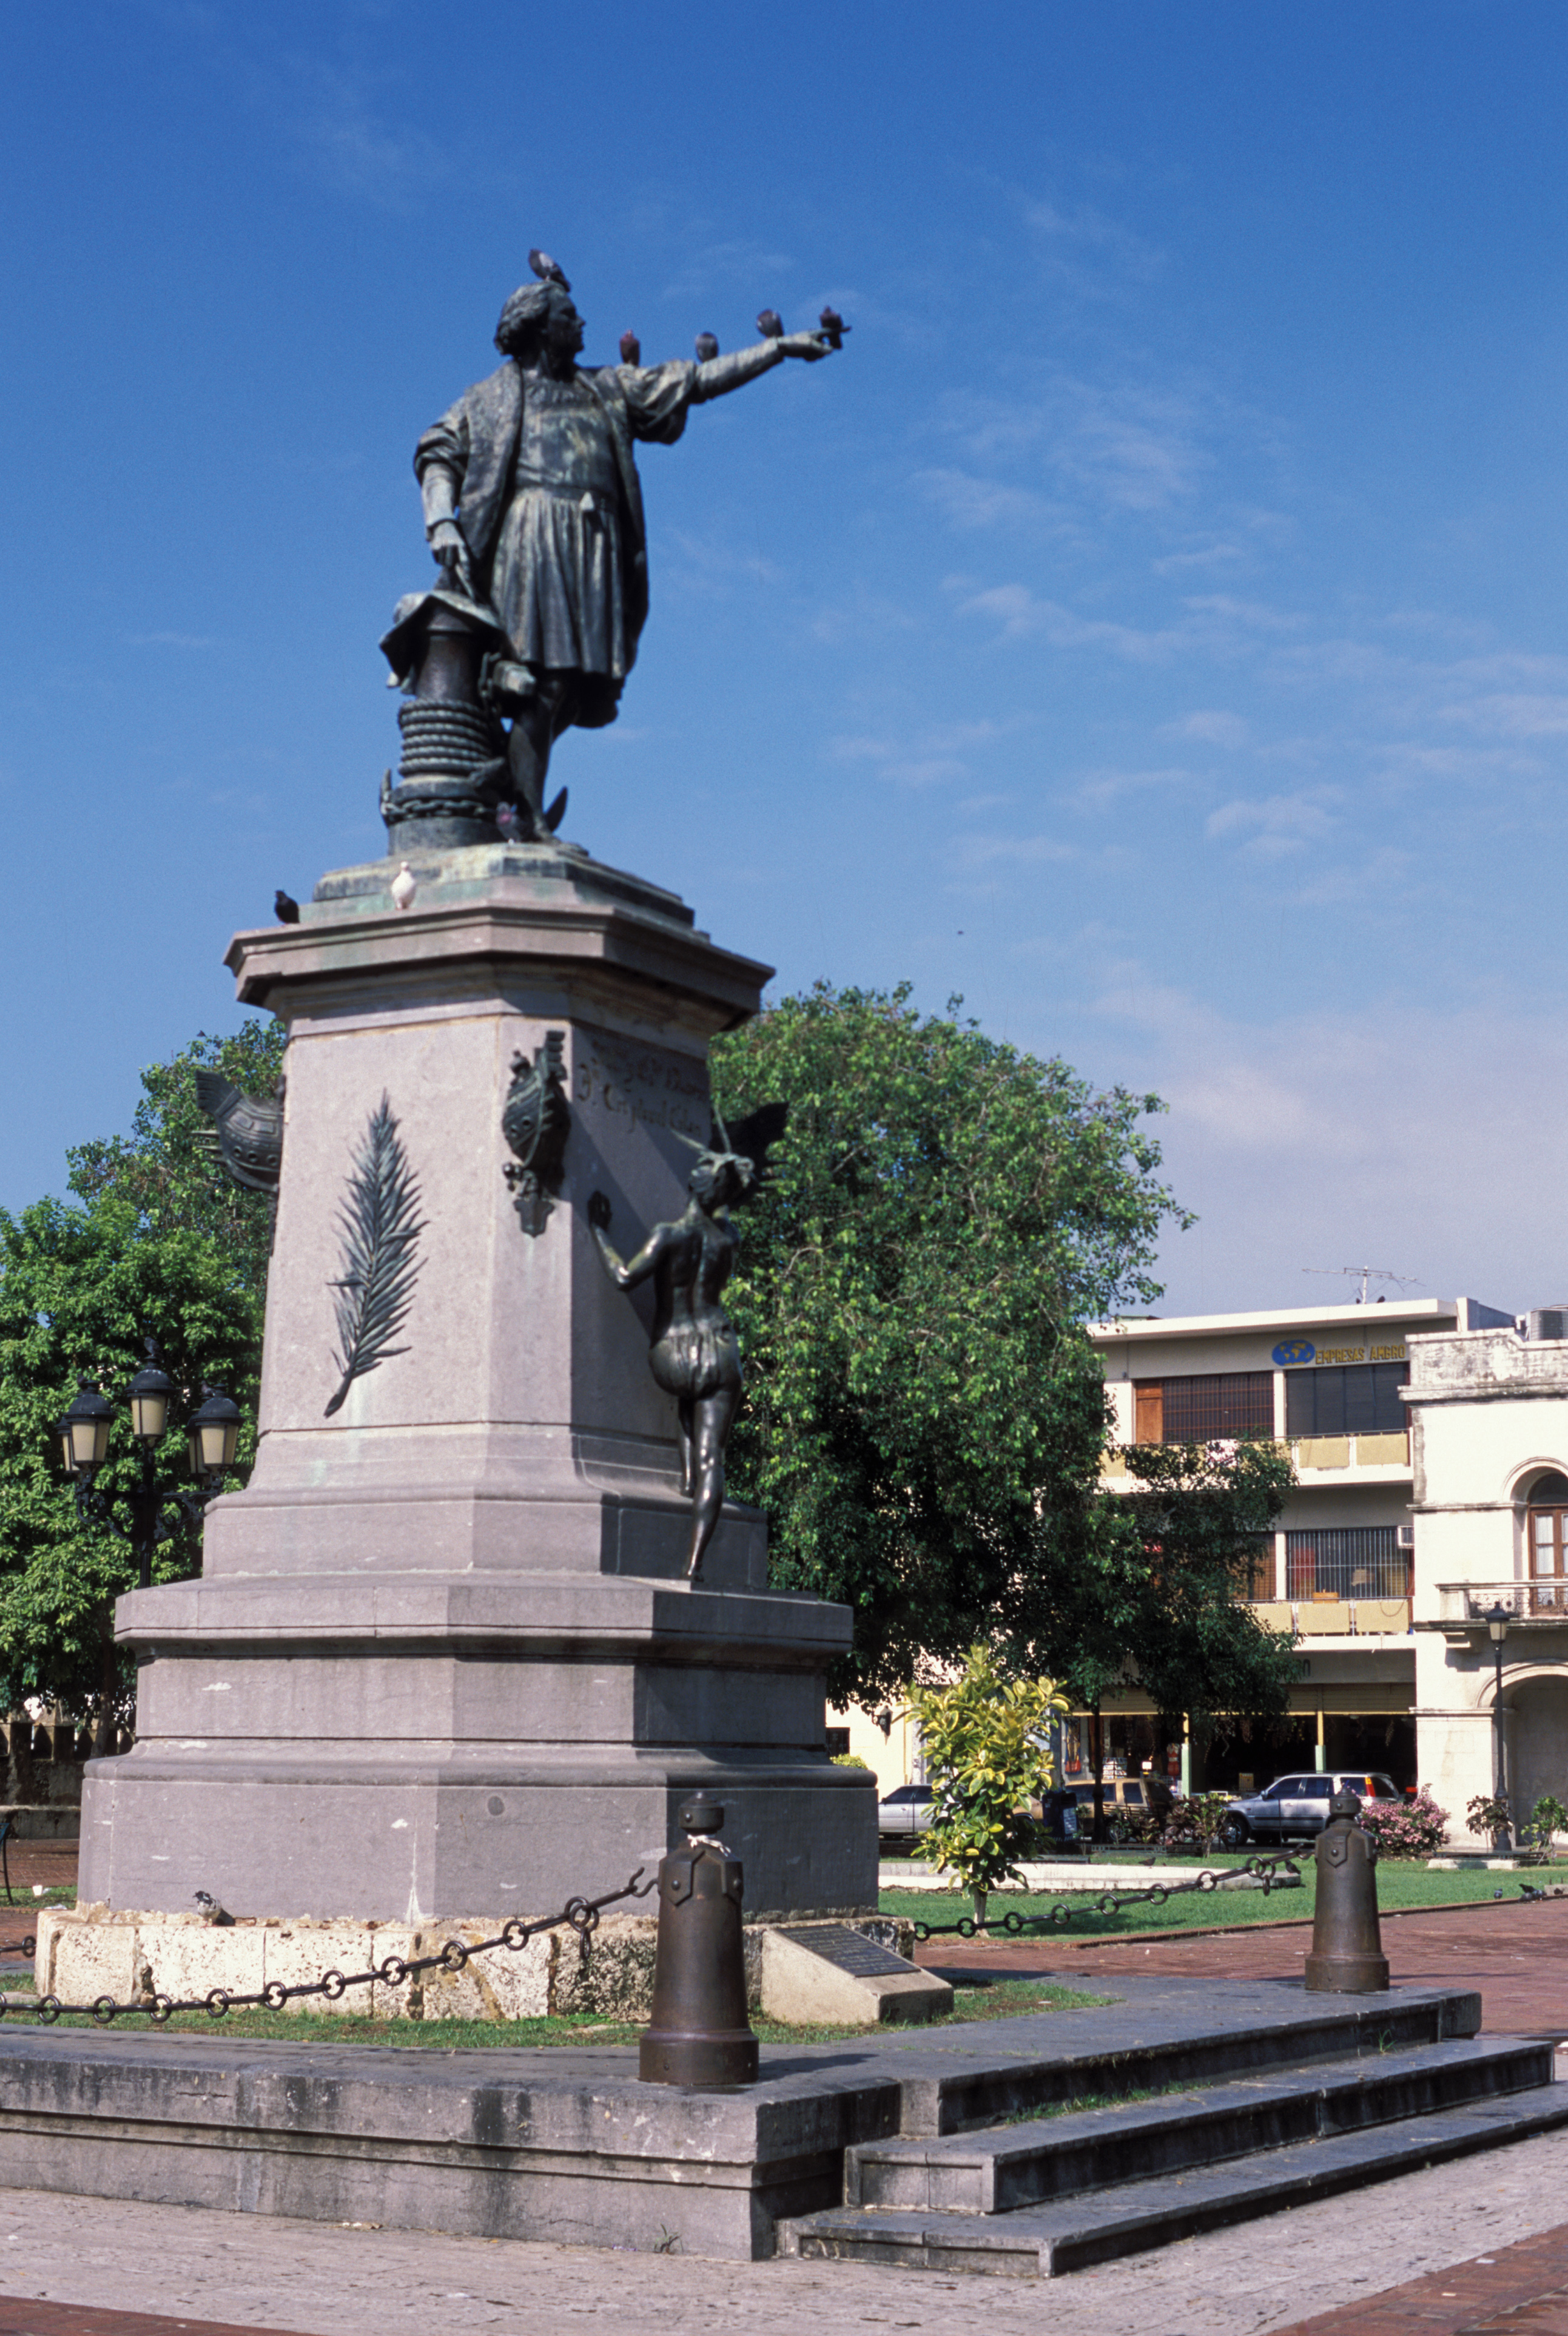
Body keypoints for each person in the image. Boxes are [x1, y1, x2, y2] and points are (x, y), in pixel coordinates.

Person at [414, 259, 833, 834]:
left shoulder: (606, 386)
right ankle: (525, 812)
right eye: (568, 315)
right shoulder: (489, 398)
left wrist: (777, 350)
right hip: (530, 539)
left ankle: (508, 784)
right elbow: (439, 452)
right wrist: (441, 520)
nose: (582, 323)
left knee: (571, 687)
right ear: (539, 328)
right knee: (544, 680)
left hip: (592, 547)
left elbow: (694, 381)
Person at [586, 1139, 757, 1583]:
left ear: (692, 1187)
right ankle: (694, 1564)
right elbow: (725, 1215)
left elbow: (624, 1276)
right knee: (711, 1458)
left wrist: (598, 1231)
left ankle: (684, 1483)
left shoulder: (668, 1235)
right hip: (719, 1351)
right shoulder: (729, 1238)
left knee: (687, 1397)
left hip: (673, 1357)